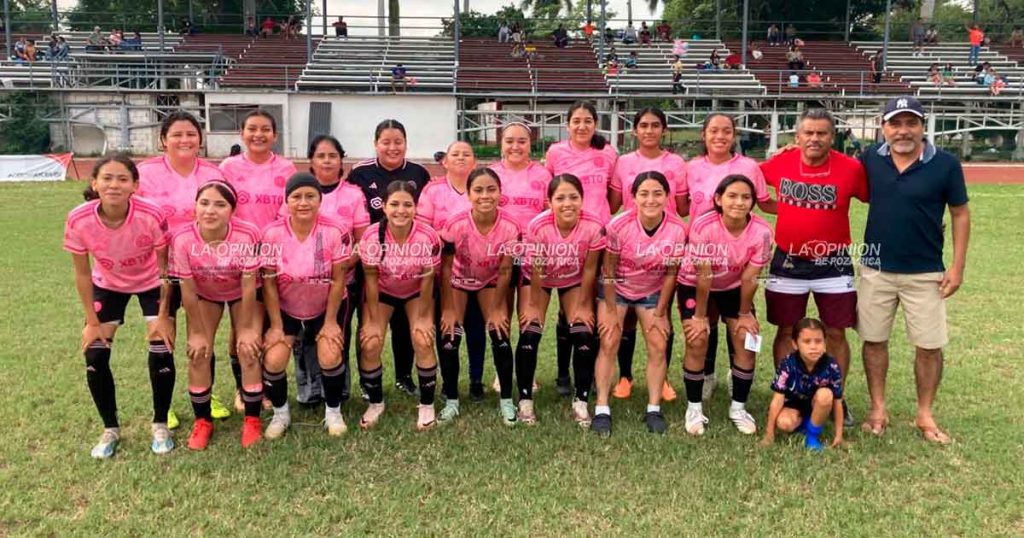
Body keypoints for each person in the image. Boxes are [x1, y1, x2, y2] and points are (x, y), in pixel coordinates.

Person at [857, 96, 970, 445]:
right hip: (875, 268)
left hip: (925, 271)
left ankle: (924, 412)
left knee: (929, 345)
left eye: (911, 123)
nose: (903, 130)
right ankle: (877, 408)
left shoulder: (946, 165)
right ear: (883, 128)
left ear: (923, 126)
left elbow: (960, 213)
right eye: (895, 123)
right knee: (874, 340)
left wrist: (957, 266)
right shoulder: (868, 161)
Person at [759, 108, 868, 427]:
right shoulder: (781, 162)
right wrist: (781, 207)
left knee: (836, 332)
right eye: (808, 133)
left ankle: (836, 396)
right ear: (797, 137)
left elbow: (877, 197)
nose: (815, 138)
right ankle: (788, 395)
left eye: (822, 133)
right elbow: (748, 180)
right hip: (788, 258)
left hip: (833, 260)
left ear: (832, 137)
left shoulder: (851, 169)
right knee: (785, 330)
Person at [64, 154, 176, 458]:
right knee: (95, 353)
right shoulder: (78, 218)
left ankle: (160, 423)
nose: (114, 185)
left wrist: (164, 315)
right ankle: (110, 428)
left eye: (123, 179)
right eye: (107, 178)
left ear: (135, 185)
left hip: (153, 282)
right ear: (94, 183)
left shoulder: (151, 214)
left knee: (161, 347)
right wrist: (91, 320)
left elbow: (166, 270)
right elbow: (82, 272)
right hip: (108, 284)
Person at [137, 111, 232, 425]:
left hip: (201, 268)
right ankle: (164, 407)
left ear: (200, 140)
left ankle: (206, 392)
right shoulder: (145, 173)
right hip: (158, 269)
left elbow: (223, 217)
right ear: (163, 140)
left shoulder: (212, 174)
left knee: (200, 337)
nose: (184, 140)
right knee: (162, 338)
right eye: (176, 134)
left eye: (191, 134)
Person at [683, 113, 774, 399]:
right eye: (713, 131)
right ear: (704, 135)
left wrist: (803, 210)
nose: (720, 136)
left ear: (734, 135)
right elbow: (681, 207)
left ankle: (740, 375)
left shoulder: (748, 166)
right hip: (702, 263)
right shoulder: (692, 167)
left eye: (726, 131)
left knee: (749, 332)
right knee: (704, 325)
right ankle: (706, 374)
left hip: (738, 263)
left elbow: (766, 202)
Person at [591, 171, 687, 437]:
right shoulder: (618, 225)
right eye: (643, 193)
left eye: (657, 193)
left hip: (652, 292)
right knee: (609, 339)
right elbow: (608, 269)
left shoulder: (678, 229)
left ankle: (653, 408)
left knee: (658, 343)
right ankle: (601, 408)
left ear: (667, 196)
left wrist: (660, 312)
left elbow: (671, 273)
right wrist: (610, 311)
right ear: (632, 197)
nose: (651, 199)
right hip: (617, 289)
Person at [169, 181, 263, 449]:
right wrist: (197, 332)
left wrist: (245, 328)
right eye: (204, 203)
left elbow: (248, 284)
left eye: (220, 204)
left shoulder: (247, 234)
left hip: (241, 293)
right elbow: (186, 287)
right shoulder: (183, 238)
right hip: (205, 294)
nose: (211, 210)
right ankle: (202, 421)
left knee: (248, 348)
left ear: (232, 210)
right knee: (198, 352)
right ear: (195, 207)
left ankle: (252, 420)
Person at [678, 174, 772, 436]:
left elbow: (750, 276)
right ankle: (694, 407)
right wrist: (699, 316)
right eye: (732, 196)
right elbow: (704, 275)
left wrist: (744, 314)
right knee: (697, 339)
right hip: (695, 283)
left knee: (747, 338)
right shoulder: (702, 225)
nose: (739, 202)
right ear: (718, 199)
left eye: (746, 197)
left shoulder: (762, 231)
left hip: (734, 287)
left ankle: (738, 408)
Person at [260, 173, 352, 439]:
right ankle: (281, 414)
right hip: (287, 307)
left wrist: (331, 321)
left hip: (326, 305)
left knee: (330, 353)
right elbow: (268, 282)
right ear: (286, 201)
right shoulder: (272, 233)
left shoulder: (335, 230)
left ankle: (333, 412)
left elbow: (338, 280)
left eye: (310, 196)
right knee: (274, 358)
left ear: (319, 200)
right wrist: (276, 325)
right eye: (296, 196)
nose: (303, 202)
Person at [282, 135, 368, 412]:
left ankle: (339, 391)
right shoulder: (297, 191)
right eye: (321, 156)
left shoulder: (353, 194)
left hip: (342, 279)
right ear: (312, 161)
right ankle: (308, 390)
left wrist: (340, 266)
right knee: (302, 340)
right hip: (297, 285)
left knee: (335, 333)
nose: (327, 161)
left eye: (333, 155)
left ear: (341, 160)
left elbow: (362, 240)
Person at [348, 119, 432, 397]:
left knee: (406, 324)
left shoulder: (419, 173)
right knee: (371, 321)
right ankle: (367, 383)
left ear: (406, 143)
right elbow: (351, 207)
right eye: (386, 141)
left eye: (398, 141)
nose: (392, 147)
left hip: (409, 257)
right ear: (376, 144)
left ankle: (404, 376)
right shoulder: (360, 172)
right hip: (374, 257)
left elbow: (424, 214)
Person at [609, 107, 687, 402]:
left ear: (664, 129)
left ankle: (663, 378)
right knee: (626, 317)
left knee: (661, 314)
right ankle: (625, 375)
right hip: (630, 244)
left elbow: (682, 207)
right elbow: (615, 203)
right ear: (635, 130)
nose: (650, 130)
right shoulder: (624, 162)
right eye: (644, 125)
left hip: (663, 243)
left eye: (656, 125)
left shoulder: (677, 163)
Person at [517, 174, 603, 425]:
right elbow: (536, 268)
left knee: (583, 330)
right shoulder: (538, 226)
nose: (567, 203)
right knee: (530, 330)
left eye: (573, 197)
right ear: (549, 202)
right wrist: (533, 306)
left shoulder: (593, 225)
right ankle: (525, 401)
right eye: (560, 198)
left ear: (582, 200)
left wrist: (585, 305)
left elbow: (589, 270)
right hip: (539, 279)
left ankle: (581, 401)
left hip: (573, 278)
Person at [438, 168, 522, 425]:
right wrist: (449, 308)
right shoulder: (455, 223)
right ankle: (451, 399)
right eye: (478, 190)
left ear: (500, 193)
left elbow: (506, 270)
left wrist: (498, 307)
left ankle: (507, 400)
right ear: (469, 194)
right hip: (459, 281)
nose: (485, 195)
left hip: (490, 282)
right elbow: (446, 268)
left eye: (491, 189)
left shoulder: (510, 226)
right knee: (449, 334)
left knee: (500, 331)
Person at [545, 101, 618, 397]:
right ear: (567, 124)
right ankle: (563, 373)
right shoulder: (555, 152)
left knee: (592, 306)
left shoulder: (608, 152)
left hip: (598, 239)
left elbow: (614, 196)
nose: (582, 126)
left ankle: (586, 374)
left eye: (588, 120)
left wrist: (596, 220)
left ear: (595, 124)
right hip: (565, 238)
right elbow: (549, 193)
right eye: (576, 121)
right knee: (567, 307)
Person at [358, 181, 441, 430]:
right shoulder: (372, 235)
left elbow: (428, 279)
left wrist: (425, 317)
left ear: (416, 207)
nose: (401, 210)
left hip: (416, 290)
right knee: (371, 342)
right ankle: (375, 403)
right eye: (394, 204)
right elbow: (371, 279)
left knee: (423, 338)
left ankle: (426, 405)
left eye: (407, 204)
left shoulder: (428, 236)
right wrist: (372, 320)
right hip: (383, 291)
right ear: (383, 207)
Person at [417, 142, 489, 401]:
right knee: (448, 326)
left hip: (480, 272)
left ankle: (477, 380)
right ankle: (449, 385)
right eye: (455, 154)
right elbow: (422, 230)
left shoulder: (481, 188)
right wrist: (448, 241)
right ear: (444, 161)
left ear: (475, 161)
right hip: (444, 272)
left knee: (476, 326)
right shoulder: (433, 190)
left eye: (466, 154)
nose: (460, 158)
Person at [759, 318, 844, 451]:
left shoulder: (831, 366)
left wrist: (839, 435)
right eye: (806, 341)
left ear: (825, 343)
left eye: (818, 341)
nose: (813, 346)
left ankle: (812, 436)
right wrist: (769, 434)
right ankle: (805, 424)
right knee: (784, 424)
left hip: (817, 403)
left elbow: (838, 401)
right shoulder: (787, 364)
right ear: (795, 344)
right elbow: (777, 399)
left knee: (826, 394)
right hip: (793, 405)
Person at [219, 109, 297, 231]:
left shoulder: (287, 168)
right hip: (238, 242)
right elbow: (218, 204)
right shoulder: (228, 167)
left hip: (276, 241)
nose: (258, 134)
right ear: (242, 134)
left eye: (265, 130)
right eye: (252, 129)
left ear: (275, 136)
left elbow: (293, 206)